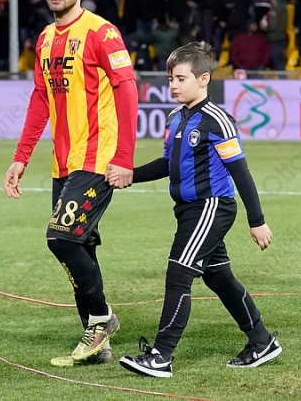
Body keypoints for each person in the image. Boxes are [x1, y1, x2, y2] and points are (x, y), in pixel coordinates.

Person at [116, 41, 281, 377]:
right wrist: (131, 174)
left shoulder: (218, 120)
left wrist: (257, 220)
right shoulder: (175, 117)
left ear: (203, 79)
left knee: (179, 273)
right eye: (170, 79)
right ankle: (262, 341)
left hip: (211, 207)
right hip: (188, 211)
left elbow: (241, 172)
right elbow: (168, 164)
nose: (173, 86)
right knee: (219, 277)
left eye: (181, 78)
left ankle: (161, 356)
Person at [3, 0, 137, 366]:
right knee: (81, 246)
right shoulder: (45, 38)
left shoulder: (102, 32)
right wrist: (21, 157)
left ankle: (102, 319)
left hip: (97, 158)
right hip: (63, 163)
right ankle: (98, 345)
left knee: (60, 238)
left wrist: (124, 158)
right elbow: (40, 99)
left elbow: (127, 90)